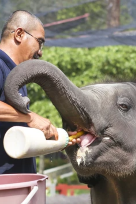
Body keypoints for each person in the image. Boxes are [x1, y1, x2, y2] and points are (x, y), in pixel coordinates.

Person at [0, 10, 80, 174]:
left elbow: (13, 129)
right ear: (20, 34)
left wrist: (56, 136)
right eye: (39, 42)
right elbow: (26, 119)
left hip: (16, 184)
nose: (41, 52)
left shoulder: (15, 75)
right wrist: (30, 117)